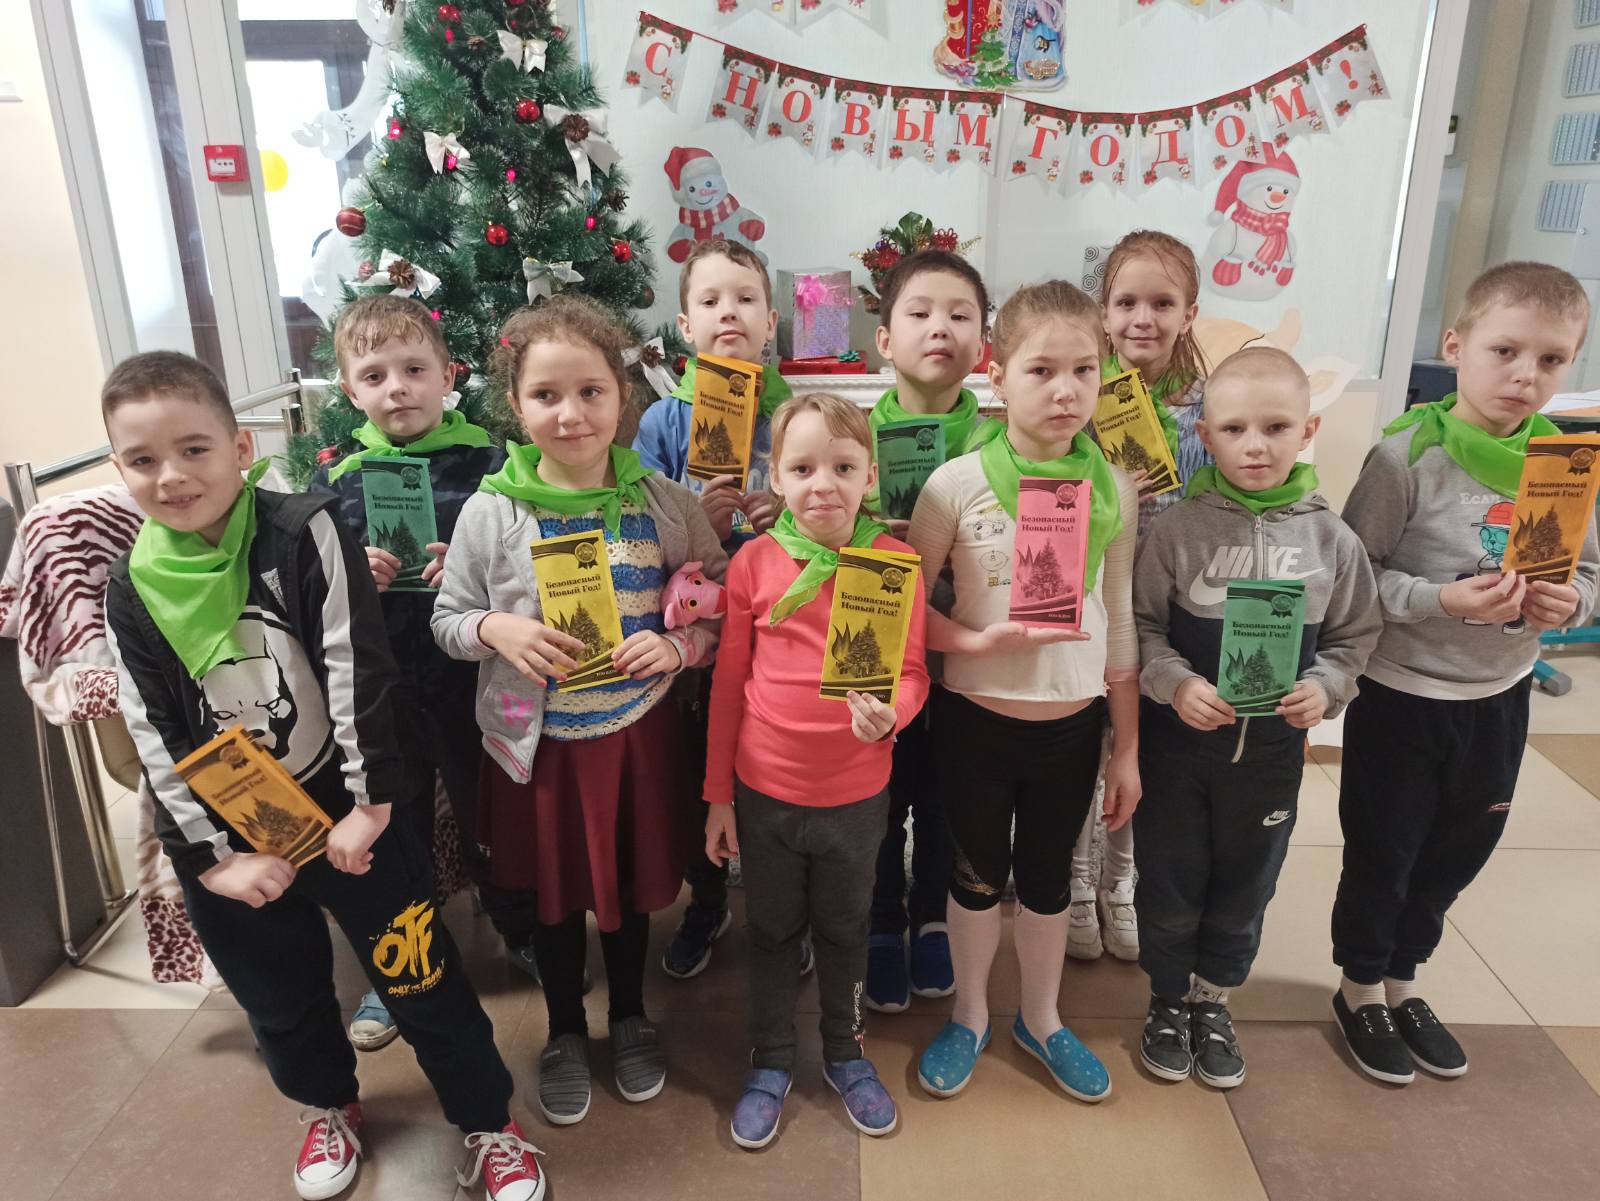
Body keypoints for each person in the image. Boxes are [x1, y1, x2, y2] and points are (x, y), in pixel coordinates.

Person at [101, 351, 543, 1201]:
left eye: (194, 449)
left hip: (348, 804)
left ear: (240, 447)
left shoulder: (303, 529)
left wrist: (371, 804)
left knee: (421, 975)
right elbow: (154, 729)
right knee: (280, 992)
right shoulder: (130, 586)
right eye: (143, 459)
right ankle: (326, 1102)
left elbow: (354, 663)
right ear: (120, 466)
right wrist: (216, 859)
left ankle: (489, 1120)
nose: (172, 476)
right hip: (228, 830)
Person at [432, 296, 727, 1126]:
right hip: (539, 748)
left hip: (635, 738)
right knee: (554, 898)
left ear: (621, 397)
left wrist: (679, 646)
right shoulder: (492, 510)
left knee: (629, 891)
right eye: (546, 395)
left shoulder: (663, 501)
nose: (571, 414)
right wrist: (495, 628)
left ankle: (630, 1015)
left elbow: (716, 599)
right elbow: (448, 620)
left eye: (591, 391)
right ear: (515, 404)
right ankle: (565, 1029)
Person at [1331, 262, 1600, 1083]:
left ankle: (1404, 978)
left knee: (1460, 847)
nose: (1525, 375)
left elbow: (1588, 571)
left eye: (1551, 359)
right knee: (1385, 848)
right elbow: (1354, 577)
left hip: (1500, 695)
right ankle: (1359, 987)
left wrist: (1572, 603)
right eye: (1505, 350)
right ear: (1456, 346)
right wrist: (1442, 598)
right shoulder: (1404, 456)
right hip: (1404, 694)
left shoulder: (1565, 458)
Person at [908, 281, 1140, 1103]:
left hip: (1071, 726)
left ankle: (1042, 1018)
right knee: (975, 878)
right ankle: (969, 1013)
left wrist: (1127, 749)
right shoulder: (953, 484)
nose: (1066, 390)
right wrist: (974, 642)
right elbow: (906, 607)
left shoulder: (1117, 489)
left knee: (1046, 881)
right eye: (1042, 370)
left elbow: (1119, 620)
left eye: (1084, 370)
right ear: (998, 375)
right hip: (973, 722)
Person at [1132, 346, 1380, 1088]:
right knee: (1169, 879)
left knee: (1248, 883)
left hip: (1271, 757)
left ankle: (1213, 998)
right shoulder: (1177, 530)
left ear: (1309, 430)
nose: (1255, 446)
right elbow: (1141, 627)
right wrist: (1175, 682)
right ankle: (1166, 998)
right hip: (1178, 752)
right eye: (1235, 429)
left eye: (1276, 427)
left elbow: (1354, 638)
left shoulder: (1332, 540)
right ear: (1205, 435)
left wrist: (1326, 688)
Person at [702, 393, 929, 1149]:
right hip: (764, 792)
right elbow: (728, 685)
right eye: (802, 468)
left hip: (856, 795)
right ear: (775, 477)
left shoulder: (893, 563)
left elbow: (914, 671)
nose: (823, 484)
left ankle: (845, 1050)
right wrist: (718, 797)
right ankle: (770, 1058)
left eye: (842, 467)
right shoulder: (753, 563)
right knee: (770, 932)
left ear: (870, 476)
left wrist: (893, 712)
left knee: (844, 928)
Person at [306, 294, 522, 1048]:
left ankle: (519, 926)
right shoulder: (335, 479)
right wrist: (349, 573)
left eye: (413, 370)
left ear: (447, 375)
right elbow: (311, 590)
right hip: (385, 689)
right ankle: (400, 967)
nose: (396, 388)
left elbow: (527, 565)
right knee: (397, 833)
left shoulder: (494, 464)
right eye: (374, 376)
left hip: (472, 679)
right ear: (350, 390)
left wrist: (473, 565)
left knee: (490, 809)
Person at [633, 237, 802, 982]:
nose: (728, 312)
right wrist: (694, 519)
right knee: (704, 768)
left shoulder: (798, 414)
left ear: (771, 322)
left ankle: (782, 910)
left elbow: (834, 517)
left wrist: (787, 517)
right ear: (685, 325)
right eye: (710, 301)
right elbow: (638, 536)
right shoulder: (663, 423)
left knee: (773, 771)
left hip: (781, 631)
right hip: (696, 634)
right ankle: (707, 900)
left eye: (745, 299)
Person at [1070, 230, 1215, 965]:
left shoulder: (1210, 409)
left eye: (1162, 303)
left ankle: (1120, 877)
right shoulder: (1078, 395)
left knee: (1140, 749)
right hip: (1091, 597)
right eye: (1126, 302)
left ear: (1190, 313)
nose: (1142, 319)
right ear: (1103, 311)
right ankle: (1076, 873)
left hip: (1167, 608)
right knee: (1082, 742)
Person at [863, 248, 991, 1012]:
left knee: (949, 796)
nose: (939, 327)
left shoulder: (1006, 446)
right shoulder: (849, 440)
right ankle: (882, 919)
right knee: (880, 793)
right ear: (885, 339)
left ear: (984, 343)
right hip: (877, 658)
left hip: (969, 664)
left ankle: (932, 915)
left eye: (959, 314)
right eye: (919, 313)